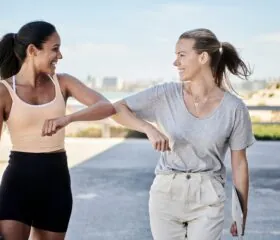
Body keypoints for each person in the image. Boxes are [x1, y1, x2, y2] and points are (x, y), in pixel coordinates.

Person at [112, 28, 255, 240]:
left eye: (181, 55)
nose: (175, 62)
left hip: (208, 197)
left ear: (203, 57)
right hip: (166, 194)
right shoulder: (165, 94)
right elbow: (117, 109)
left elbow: (240, 164)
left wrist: (241, 212)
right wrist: (148, 128)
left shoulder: (235, 108)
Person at [0, 20, 116, 240]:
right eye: (55, 49)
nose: (60, 56)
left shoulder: (62, 83)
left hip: (56, 182)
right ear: (33, 50)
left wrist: (68, 118)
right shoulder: (4, 91)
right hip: (17, 184)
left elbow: (106, 106)